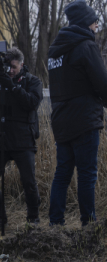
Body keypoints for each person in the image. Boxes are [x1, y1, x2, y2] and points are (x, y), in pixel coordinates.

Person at [47, 0, 107, 227]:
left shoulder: (55, 52)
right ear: (86, 22)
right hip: (84, 120)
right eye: (94, 24)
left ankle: (55, 224)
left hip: (61, 120)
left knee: (62, 173)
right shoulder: (86, 46)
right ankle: (88, 225)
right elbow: (102, 83)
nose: (95, 29)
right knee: (87, 175)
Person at [0, 47, 43, 233]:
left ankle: (33, 218)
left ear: (21, 64)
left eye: (13, 67)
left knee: (28, 180)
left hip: (22, 137)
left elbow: (31, 103)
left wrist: (11, 86)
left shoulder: (32, 81)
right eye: (7, 67)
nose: (10, 71)